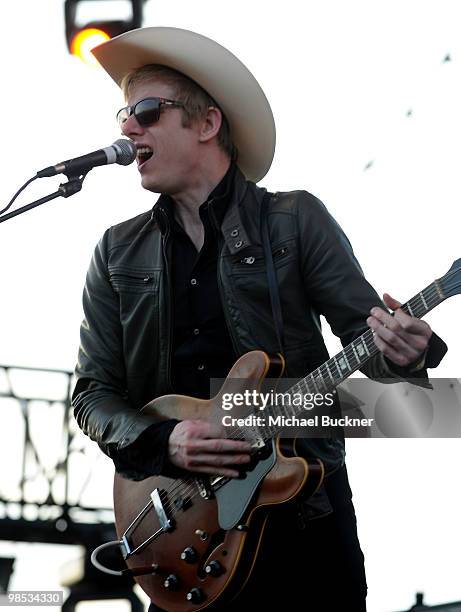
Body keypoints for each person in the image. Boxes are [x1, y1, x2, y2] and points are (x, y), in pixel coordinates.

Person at [72, 27, 447, 611]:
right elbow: (93, 395)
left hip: (304, 520)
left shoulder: (295, 222)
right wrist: (167, 440)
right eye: (125, 114)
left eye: (146, 111)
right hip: (182, 534)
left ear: (207, 123)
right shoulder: (118, 252)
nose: (127, 129)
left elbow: (369, 346)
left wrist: (406, 353)